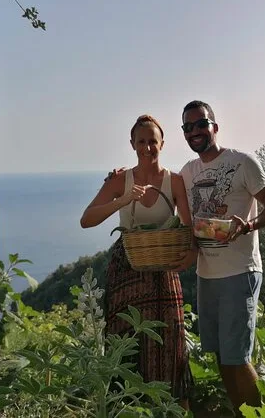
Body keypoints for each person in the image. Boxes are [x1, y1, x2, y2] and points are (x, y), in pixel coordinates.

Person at [79, 114, 196, 408]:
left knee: (170, 340)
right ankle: (128, 407)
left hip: (163, 268)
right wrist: (123, 199)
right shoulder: (120, 180)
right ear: (132, 144)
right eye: (141, 141)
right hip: (127, 267)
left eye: (152, 141)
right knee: (126, 340)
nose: (147, 147)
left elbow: (188, 226)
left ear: (162, 143)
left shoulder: (175, 182)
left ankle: (173, 409)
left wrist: (191, 253)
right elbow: (87, 219)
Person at [179, 100, 265, 416]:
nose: (195, 131)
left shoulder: (242, 162)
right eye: (188, 127)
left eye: (201, 123)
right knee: (222, 357)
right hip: (206, 275)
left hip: (240, 272)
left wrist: (248, 225)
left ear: (215, 126)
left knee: (237, 358)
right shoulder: (187, 172)